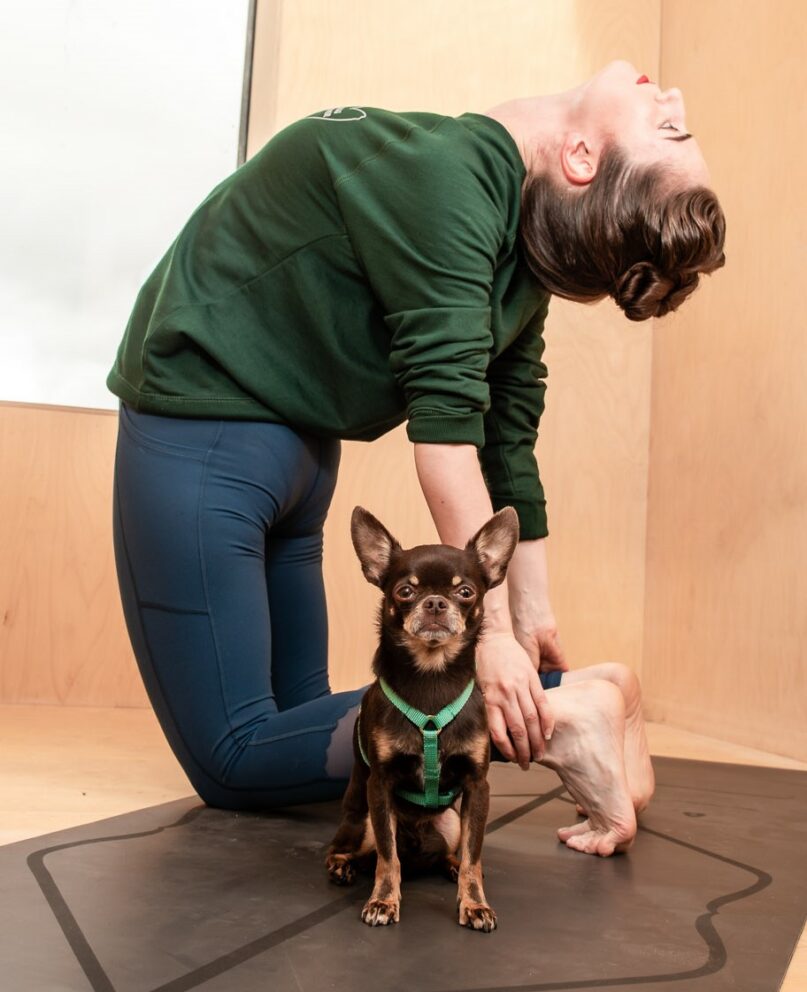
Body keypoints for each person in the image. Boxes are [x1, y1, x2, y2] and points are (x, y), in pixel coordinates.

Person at [107, 59, 725, 854]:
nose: (670, 95)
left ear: (581, 157)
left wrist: (508, 637)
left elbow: (458, 444)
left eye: (667, 125)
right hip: (293, 458)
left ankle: (566, 718)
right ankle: (578, 696)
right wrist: (519, 630)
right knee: (311, 725)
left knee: (235, 754)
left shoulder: (454, 185)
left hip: (206, 437)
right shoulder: (495, 221)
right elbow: (504, 441)